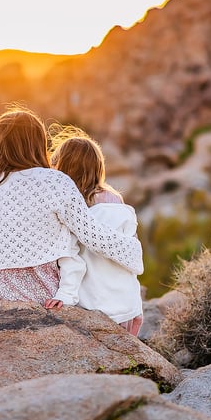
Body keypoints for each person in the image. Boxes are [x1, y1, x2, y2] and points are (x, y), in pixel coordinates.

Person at [0, 107, 144, 312]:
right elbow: (93, 236)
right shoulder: (55, 181)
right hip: (38, 293)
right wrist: (132, 252)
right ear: (38, 143)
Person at [50, 128, 144, 336]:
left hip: (91, 304)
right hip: (125, 304)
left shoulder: (70, 205)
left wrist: (64, 295)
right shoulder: (114, 199)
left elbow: (69, 256)